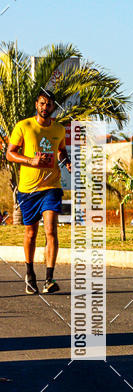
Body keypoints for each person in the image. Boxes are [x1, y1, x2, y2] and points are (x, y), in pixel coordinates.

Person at [6, 90, 71, 294]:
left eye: (49, 104)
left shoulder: (59, 129)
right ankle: (30, 274)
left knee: (51, 230)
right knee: (31, 233)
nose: (45, 107)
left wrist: (66, 161)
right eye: (42, 103)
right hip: (28, 190)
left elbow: (61, 149)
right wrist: (31, 160)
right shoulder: (24, 126)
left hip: (51, 186)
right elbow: (10, 154)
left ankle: (49, 279)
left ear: (53, 107)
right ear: (37, 104)